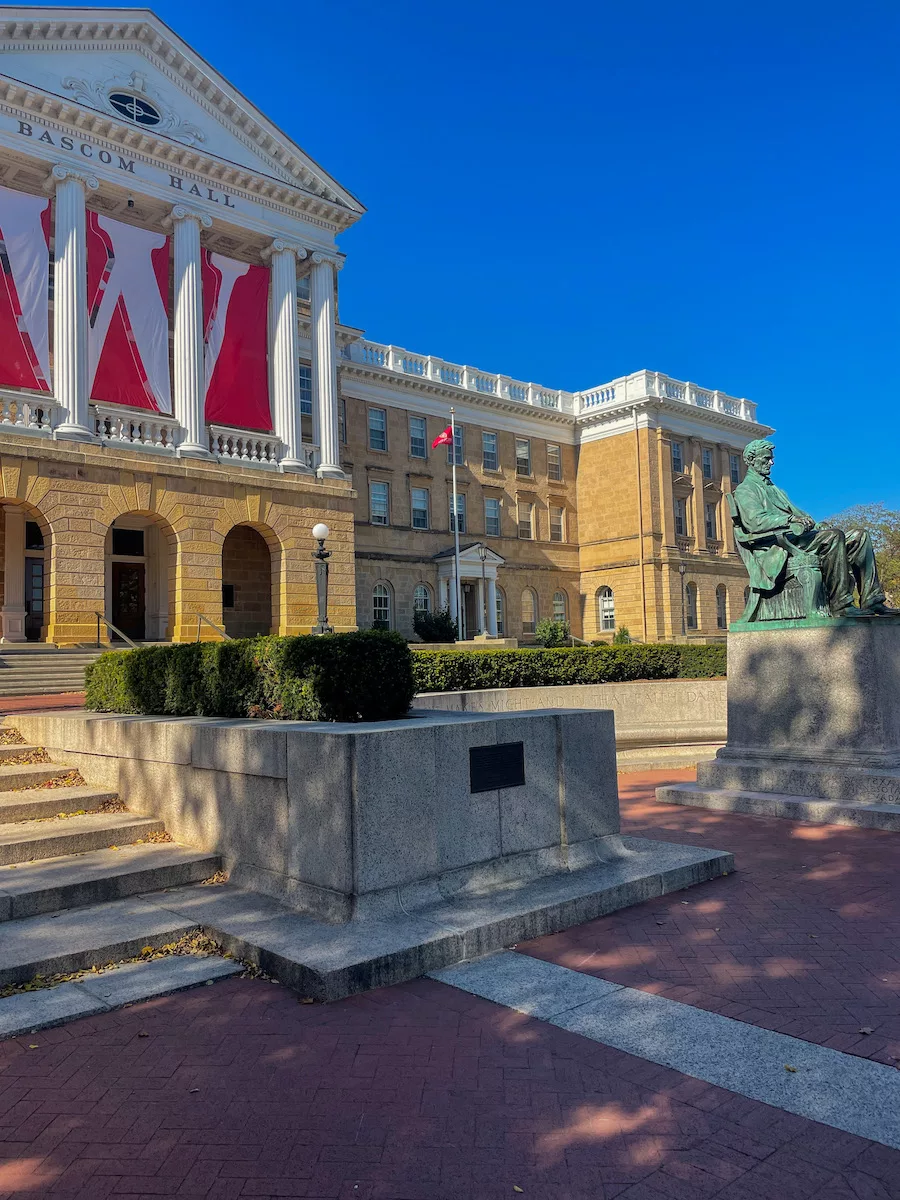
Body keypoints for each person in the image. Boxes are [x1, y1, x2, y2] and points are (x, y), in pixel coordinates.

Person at [732, 439, 897, 617]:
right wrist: (789, 519)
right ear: (752, 459)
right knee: (833, 537)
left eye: (771, 458)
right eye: (767, 459)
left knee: (860, 536)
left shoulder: (774, 489)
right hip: (776, 546)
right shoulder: (745, 490)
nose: (771, 462)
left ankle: (872, 600)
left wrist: (816, 525)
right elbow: (756, 522)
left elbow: (799, 513)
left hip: (798, 539)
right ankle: (841, 605)